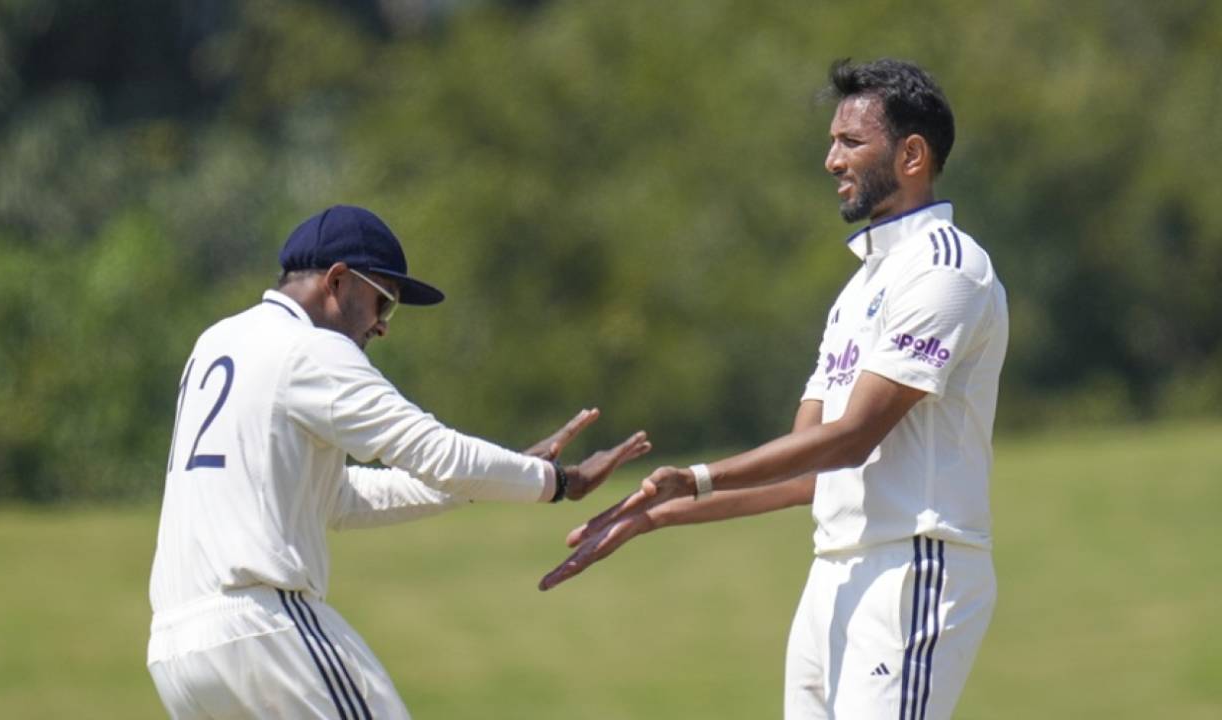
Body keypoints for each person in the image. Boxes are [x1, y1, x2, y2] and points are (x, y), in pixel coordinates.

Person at [540, 58, 1009, 720]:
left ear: (911, 155)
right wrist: (654, 515)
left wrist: (698, 476)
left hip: (910, 568)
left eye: (850, 142)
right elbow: (809, 470)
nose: (831, 161)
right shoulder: (859, 290)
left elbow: (849, 439)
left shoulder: (947, 269)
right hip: (833, 575)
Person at [147, 204, 651, 719]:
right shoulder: (310, 349)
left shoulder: (217, 341)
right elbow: (436, 452)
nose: (383, 327)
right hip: (264, 631)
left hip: (176, 648)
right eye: (382, 302)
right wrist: (559, 481)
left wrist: (497, 473)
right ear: (338, 281)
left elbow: (339, 498)